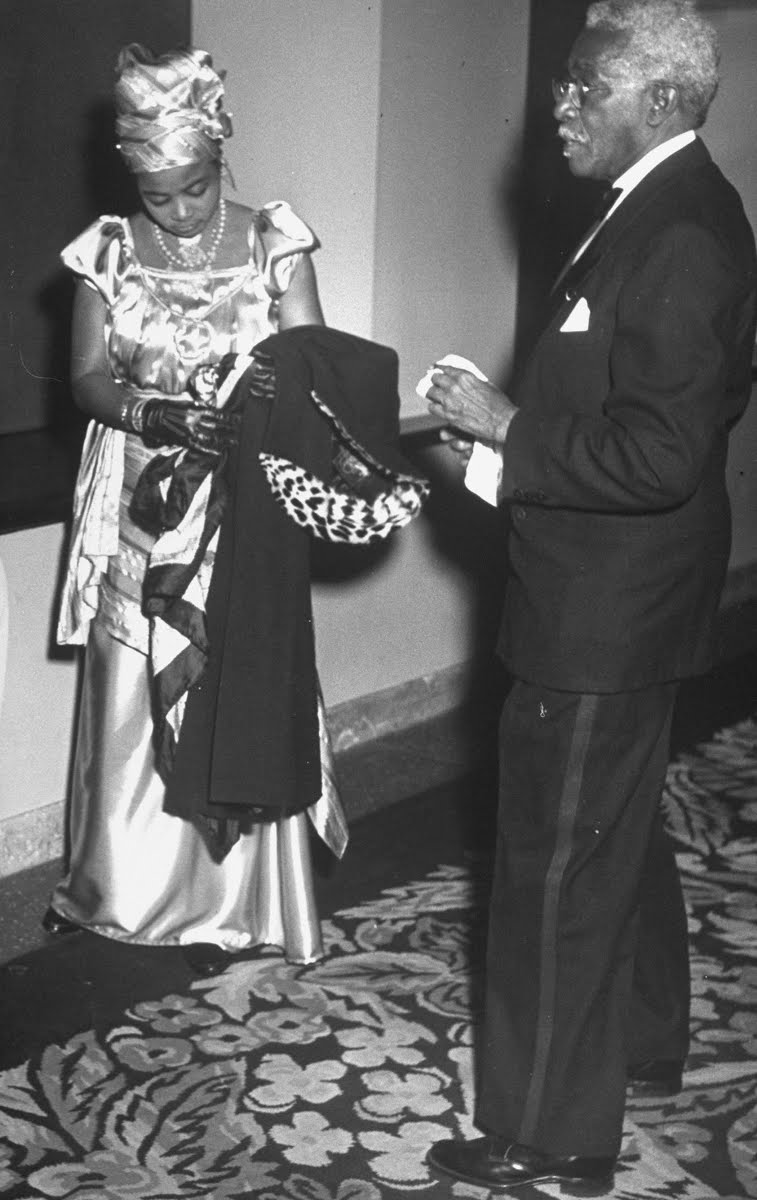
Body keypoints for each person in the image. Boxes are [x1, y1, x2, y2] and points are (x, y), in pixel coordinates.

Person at [424, 0, 757, 1192]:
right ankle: (647, 1044)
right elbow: (646, 416)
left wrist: (508, 428)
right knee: (612, 831)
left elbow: (661, 455)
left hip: (601, 617)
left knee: (554, 866)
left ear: (660, 101)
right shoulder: (658, 207)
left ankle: (550, 1137)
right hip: (618, 592)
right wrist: (495, 457)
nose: (557, 104)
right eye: (562, 81)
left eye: (586, 85)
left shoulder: (683, 232)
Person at [45, 43, 347, 976]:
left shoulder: (272, 242)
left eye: (195, 188)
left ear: (221, 155)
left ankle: (238, 903)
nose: (177, 211)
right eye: (158, 195)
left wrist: (265, 399)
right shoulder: (107, 249)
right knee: (130, 679)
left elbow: (312, 367)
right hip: (139, 492)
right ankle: (116, 890)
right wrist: (151, 411)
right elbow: (86, 379)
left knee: (232, 676)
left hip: (241, 491)